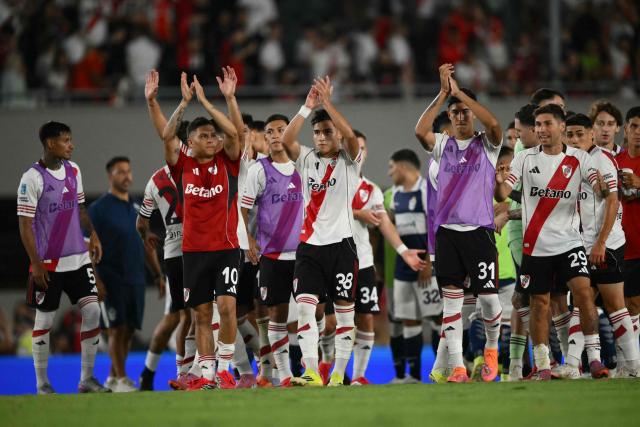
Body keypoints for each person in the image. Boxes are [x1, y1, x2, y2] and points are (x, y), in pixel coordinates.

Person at [495, 104, 608, 380]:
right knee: (539, 303)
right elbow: (504, 192)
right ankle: (543, 364)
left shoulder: (580, 158)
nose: (541, 130)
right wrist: (498, 184)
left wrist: (601, 187)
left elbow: (598, 186)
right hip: (535, 244)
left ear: (561, 127)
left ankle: (593, 359)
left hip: (570, 241)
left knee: (583, 293)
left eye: (547, 124)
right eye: (538, 125)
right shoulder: (524, 159)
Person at [414, 64, 503, 383]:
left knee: (489, 299)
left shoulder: (488, 146)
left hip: (479, 233)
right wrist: (443, 94)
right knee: (451, 305)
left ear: (473, 114)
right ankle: (458, 368)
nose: (462, 116)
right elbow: (420, 131)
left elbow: (494, 123)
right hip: (448, 235)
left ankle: (492, 350)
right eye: (456, 113)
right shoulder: (443, 146)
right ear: (450, 118)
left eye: (466, 111)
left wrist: (460, 93)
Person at [161, 70, 241, 390]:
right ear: (190, 143)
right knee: (201, 315)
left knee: (227, 307)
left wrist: (213, 102)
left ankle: (224, 368)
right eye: (204, 136)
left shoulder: (228, 160)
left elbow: (235, 133)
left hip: (225, 247)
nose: (212, 139)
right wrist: (182, 104)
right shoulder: (182, 164)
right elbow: (167, 136)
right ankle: (207, 378)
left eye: (213, 135)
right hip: (193, 251)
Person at [281, 76, 360, 387]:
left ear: (337, 134)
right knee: (304, 309)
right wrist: (307, 107)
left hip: (342, 247)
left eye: (328, 131)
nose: (322, 137)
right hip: (310, 247)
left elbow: (352, 138)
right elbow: (287, 142)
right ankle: (312, 371)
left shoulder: (350, 161)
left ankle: (339, 373)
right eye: (317, 132)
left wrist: (327, 103)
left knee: (344, 315)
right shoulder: (306, 158)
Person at [18, 121, 107, 394]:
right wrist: (35, 263)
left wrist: (93, 235)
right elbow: (25, 225)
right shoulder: (31, 178)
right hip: (49, 263)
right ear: (50, 144)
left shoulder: (74, 170)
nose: (72, 145)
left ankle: (87, 379)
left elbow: (80, 208)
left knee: (92, 311)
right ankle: (42, 383)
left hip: (78, 259)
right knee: (44, 321)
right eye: (66, 140)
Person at [558, 113, 639, 378]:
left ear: (591, 134)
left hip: (606, 245)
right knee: (581, 303)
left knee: (616, 304)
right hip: (579, 245)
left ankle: (634, 366)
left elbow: (613, 202)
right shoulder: (571, 162)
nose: (574, 139)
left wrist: (601, 243)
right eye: (569, 134)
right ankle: (572, 363)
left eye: (580, 133)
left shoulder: (601, 160)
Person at [352, 133, 427, 385]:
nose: (388, 172)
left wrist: (434, 262)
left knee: (438, 317)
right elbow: (378, 232)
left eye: (391, 167)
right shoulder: (388, 195)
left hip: (425, 267)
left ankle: (445, 369)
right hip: (396, 270)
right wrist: (381, 267)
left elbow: (435, 227)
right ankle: (402, 374)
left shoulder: (427, 191)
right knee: (399, 320)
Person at [137, 69, 195, 391]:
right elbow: (142, 225)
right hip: (185, 251)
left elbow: (141, 225)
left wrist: (147, 239)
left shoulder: (158, 179)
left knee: (187, 315)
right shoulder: (180, 170)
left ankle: (170, 373)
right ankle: (174, 372)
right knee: (186, 314)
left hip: (185, 250)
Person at [240, 113, 302, 387]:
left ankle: (316, 367)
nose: (276, 135)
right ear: (264, 139)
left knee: (319, 313)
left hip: (306, 255)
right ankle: (285, 375)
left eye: (281, 130)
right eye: (270, 132)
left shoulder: (304, 165)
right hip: (273, 256)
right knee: (276, 314)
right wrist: (249, 241)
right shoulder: (258, 169)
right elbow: (242, 209)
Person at [89, 156, 148, 392]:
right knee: (116, 327)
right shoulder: (98, 209)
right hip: (111, 277)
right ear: (110, 175)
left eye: (128, 171)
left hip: (136, 277)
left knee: (129, 329)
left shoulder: (136, 206)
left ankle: (113, 378)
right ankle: (123, 378)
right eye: (120, 172)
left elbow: (145, 241)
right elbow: (89, 248)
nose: (127, 176)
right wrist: (96, 280)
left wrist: (156, 274)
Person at [506, 103, 539, 380]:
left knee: (539, 298)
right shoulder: (521, 152)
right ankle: (522, 365)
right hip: (522, 233)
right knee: (525, 295)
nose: (515, 138)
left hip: (555, 234)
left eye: (518, 132)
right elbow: (515, 195)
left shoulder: (566, 153)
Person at [616, 106, 640, 375]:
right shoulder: (616, 161)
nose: (638, 133)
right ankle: (631, 365)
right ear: (626, 130)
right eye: (634, 126)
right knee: (630, 307)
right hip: (628, 245)